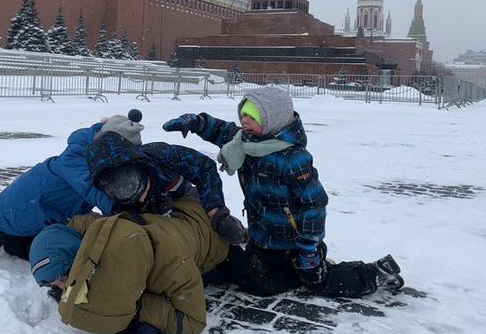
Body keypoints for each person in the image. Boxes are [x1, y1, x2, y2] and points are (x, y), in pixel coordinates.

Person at [162, 87, 405, 297]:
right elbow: (219, 130)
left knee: (316, 283)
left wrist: (309, 246)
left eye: (252, 116)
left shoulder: (293, 159)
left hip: (296, 242)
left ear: (272, 121)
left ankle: (375, 273)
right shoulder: (245, 142)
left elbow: (314, 205)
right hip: (263, 237)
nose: (244, 120)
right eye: (243, 114)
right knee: (255, 279)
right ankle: (281, 267)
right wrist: (195, 122)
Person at [0, 110, 145, 259]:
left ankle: (14, 243)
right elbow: (91, 189)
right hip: (17, 210)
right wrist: (119, 208)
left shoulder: (99, 156)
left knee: (26, 248)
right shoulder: (75, 159)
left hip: (43, 214)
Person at [29, 196, 230, 334]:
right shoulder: (94, 231)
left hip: (211, 236)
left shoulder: (169, 262)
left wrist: (136, 309)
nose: (62, 287)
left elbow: (193, 322)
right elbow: (74, 232)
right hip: (176, 211)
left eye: (62, 278)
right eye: (51, 285)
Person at [85, 130, 246, 244]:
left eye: (140, 188)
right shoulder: (110, 187)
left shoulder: (163, 155)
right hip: (151, 213)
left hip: (184, 194)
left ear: (142, 167)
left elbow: (204, 167)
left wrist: (214, 208)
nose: (140, 197)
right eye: (128, 193)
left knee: (220, 230)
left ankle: (241, 235)